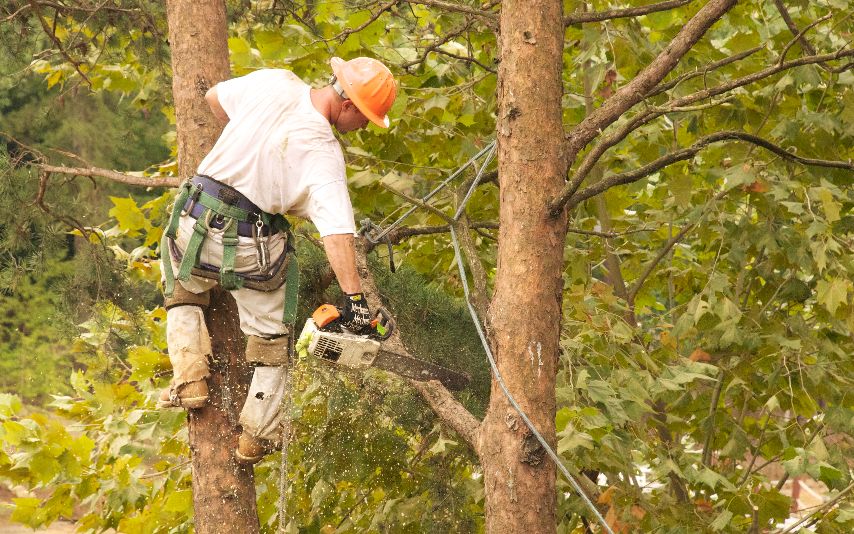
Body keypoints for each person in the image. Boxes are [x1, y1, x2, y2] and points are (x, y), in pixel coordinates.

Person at [158, 57, 397, 464]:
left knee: (183, 282)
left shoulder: (276, 81)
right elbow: (337, 235)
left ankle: (190, 378)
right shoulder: (324, 152)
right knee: (271, 338)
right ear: (350, 106)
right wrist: (355, 303)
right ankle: (257, 434)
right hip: (251, 244)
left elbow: (215, 98)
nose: (364, 129)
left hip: (194, 219)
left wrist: (249, 147)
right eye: (367, 120)